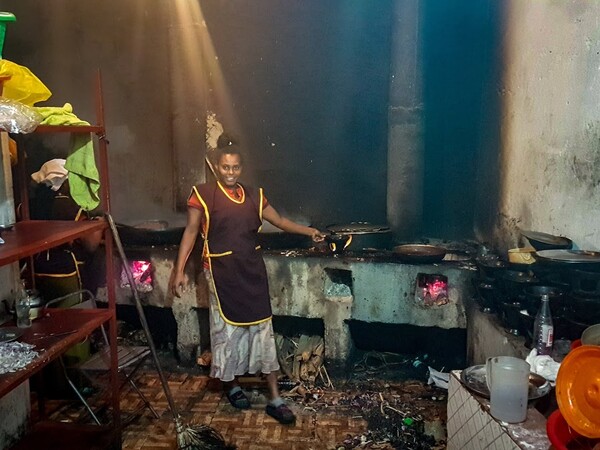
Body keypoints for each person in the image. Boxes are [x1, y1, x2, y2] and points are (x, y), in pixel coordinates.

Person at [169, 140, 325, 425]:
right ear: (216, 166)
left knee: (262, 330)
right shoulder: (203, 195)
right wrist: (178, 271)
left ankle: (275, 399)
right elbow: (191, 232)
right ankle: (232, 384)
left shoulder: (255, 195)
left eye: (236, 167)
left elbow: (279, 220)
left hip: (251, 271)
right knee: (227, 333)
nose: (230, 172)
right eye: (225, 167)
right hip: (220, 272)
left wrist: (309, 231)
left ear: (241, 167)